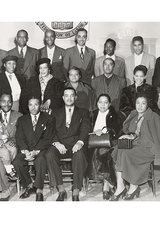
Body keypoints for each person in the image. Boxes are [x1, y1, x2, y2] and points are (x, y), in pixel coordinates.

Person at [110, 94, 160, 201]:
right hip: (136, 144)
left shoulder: (154, 116)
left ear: (148, 104)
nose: (140, 106)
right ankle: (120, 186)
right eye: (138, 103)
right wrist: (130, 135)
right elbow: (131, 130)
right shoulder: (134, 114)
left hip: (148, 147)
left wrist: (134, 137)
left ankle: (134, 185)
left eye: (143, 103)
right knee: (118, 149)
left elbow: (156, 136)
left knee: (127, 154)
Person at [45, 87, 90, 201]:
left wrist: (80, 142)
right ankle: (61, 189)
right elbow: (51, 131)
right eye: (66, 95)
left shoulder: (83, 112)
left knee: (80, 155)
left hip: (75, 144)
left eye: (71, 95)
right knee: (49, 154)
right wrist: (56, 143)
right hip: (60, 144)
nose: (69, 98)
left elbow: (85, 129)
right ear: (63, 98)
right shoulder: (55, 112)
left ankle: (76, 190)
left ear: (75, 97)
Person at [12, 97, 55, 201]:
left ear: (39, 105)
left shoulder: (49, 119)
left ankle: (39, 189)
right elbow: (20, 137)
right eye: (30, 105)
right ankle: (29, 185)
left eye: (36, 104)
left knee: (40, 160)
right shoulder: (22, 120)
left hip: (41, 149)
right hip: (27, 149)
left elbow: (48, 138)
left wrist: (35, 152)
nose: (33, 107)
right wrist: (26, 151)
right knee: (17, 161)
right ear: (28, 106)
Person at [88, 94, 121, 200]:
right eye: (100, 102)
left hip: (109, 143)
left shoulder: (113, 114)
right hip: (93, 143)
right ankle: (111, 183)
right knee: (100, 152)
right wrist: (94, 132)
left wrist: (104, 131)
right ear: (97, 103)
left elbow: (117, 131)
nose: (103, 105)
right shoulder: (92, 114)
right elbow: (85, 129)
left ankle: (106, 186)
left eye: (106, 102)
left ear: (109, 104)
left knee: (104, 152)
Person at [0, 93, 22, 181]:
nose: (6, 104)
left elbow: (21, 134)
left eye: (9, 102)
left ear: (12, 103)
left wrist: (14, 141)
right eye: (4, 101)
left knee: (12, 150)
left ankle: (6, 173)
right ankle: (9, 170)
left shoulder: (19, 116)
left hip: (11, 143)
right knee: (5, 152)